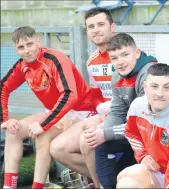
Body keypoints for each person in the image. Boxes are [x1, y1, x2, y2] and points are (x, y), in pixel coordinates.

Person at [0, 26, 104, 189]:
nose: (27, 51)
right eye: (21, 47)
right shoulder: (22, 65)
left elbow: (70, 95)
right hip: (58, 112)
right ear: (15, 49)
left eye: (30, 44)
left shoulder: (55, 58)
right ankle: (8, 187)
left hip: (82, 111)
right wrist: (4, 119)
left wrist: (43, 124)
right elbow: (3, 87)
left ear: (38, 42)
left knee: (44, 133)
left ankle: (38, 186)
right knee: (13, 131)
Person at [83, 33, 169, 188]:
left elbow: (147, 121)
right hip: (149, 133)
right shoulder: (117, 76)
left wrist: (106, 133)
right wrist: (104, 133)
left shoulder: (149, 75)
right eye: (114, 58)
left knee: (112, 147)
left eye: (125, 55)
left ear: (137, 53)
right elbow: (117, 112)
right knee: (103, 146)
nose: (120, 62)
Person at [49, 7, 117, 188]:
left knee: (86, 141)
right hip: (103, 114)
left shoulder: (126, 54)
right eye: (91, 26)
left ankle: (103, 183)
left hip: (123, 115)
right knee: (57, 148)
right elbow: (96, 94)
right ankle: (105, 180)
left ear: (113, 27)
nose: (96, 30)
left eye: (101, 24)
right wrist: (97, 107)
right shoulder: (92, 61)